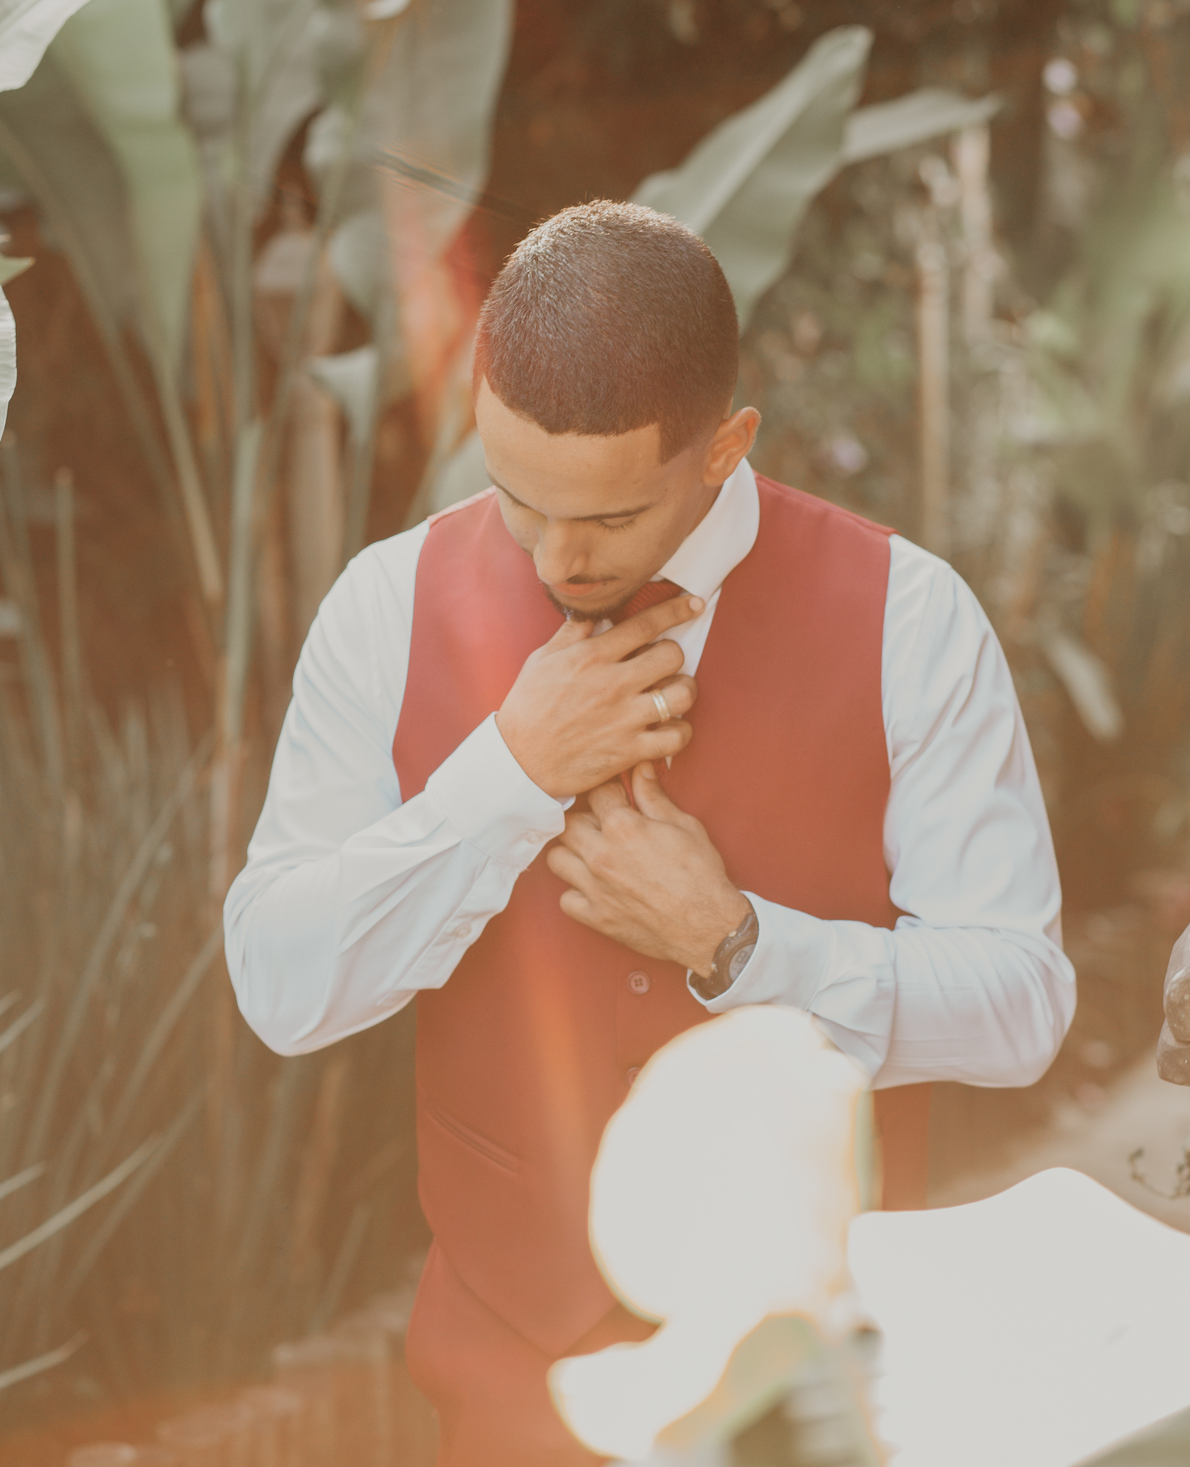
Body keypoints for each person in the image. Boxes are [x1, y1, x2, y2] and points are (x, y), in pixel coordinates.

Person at [224, 200, 1075, 1467]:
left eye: (608, 519)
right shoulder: (382, 611)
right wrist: (509, 775)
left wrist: (740, 947)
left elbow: (1023, 1007)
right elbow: (281, 985)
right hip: (506, 1387)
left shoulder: (913, 621)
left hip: (819, 1394)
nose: (556, 556)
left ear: (725, 445)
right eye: (516, 496)